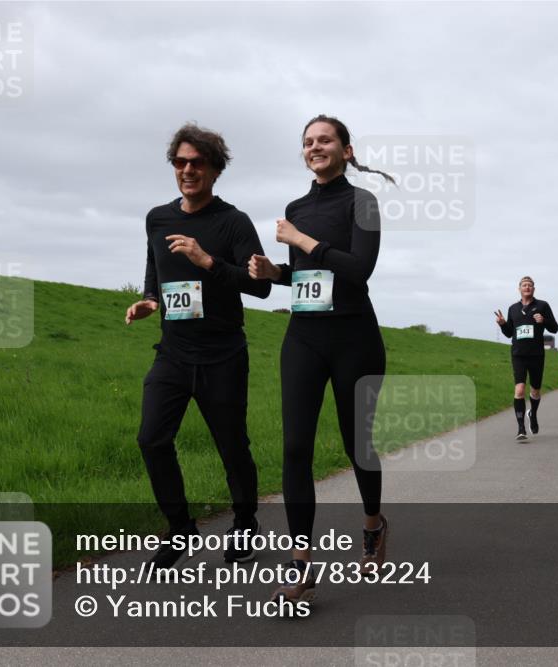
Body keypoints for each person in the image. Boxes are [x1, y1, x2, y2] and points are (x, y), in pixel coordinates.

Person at [249, 114, 393, 605]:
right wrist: (277, 273)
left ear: (346, 150)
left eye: (325, 139)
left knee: (358, 444)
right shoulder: (296, 207)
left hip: (355, 338)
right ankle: (300, 564)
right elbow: (311, 274)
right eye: (308, 142)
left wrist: (301, 241)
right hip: (304, 338)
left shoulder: (363, 202)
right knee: (295, 449)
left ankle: (373, 524)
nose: (315, 147)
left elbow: (358, 270)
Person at [125, 123, 270, 568]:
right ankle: (181, 529)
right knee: (151, 439)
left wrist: (206, 260)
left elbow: (259, 287)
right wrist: (151, 299)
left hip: (223, 354)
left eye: (197, 163)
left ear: (214, 169)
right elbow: (156, 265)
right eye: (180, 162)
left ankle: (245, 523)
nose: (187, 170)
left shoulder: (233, 222)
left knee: (232, 446)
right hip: (173, 351)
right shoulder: (157, 218)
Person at [495, 276, 558, 440]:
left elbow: (555, 328)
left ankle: (533, 414)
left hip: (536, 354)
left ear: (534, 289)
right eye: (524, 285)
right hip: (518, 354)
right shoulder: (513, 309)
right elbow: (510, 332)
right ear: (519, 288)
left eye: (530, 285)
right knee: (520, 389)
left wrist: (543, 320)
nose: (527, 287)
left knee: (535, 390)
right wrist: (503, 324)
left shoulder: (542, 306)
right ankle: (521, 428)